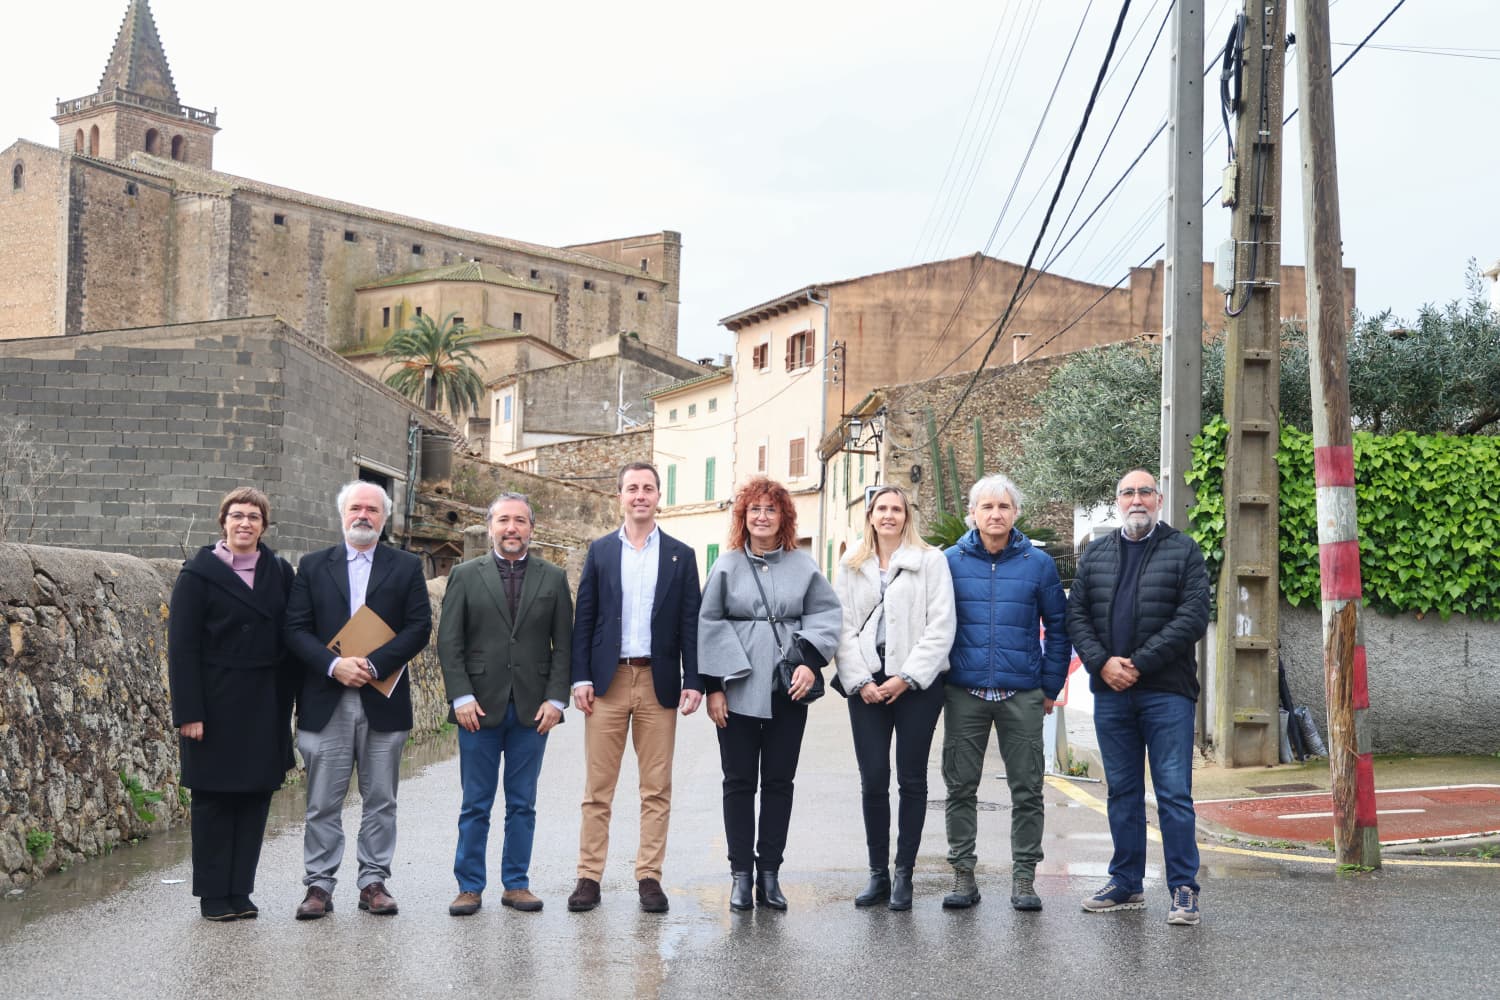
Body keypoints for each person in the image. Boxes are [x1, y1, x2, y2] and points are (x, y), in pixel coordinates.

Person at [1067, 469, 1210, 926]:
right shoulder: (1097, 552)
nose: (1136, 499)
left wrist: (1138, 664)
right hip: (1111, 692)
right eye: (1127, 492)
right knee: (1122, 791)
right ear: (1117, 500)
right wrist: (1103, 664)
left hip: (1166, 694)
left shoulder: (1183, 550)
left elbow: (1192, 617)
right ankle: (1126, 882)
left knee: (1173, 794)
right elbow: (1077, 616)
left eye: (1144, 492)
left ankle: (1183, 888)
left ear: (1159, 499)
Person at [284, 480, 432, 920]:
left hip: (382, 696)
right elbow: (295, 629)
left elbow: (418, 627)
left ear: (384, 517)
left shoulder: (405, 567)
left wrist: (372, 664)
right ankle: (319, 885)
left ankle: (373, 882)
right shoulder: (312, 566)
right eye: (355, 508)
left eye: (372, 508)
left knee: (381, 798)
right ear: (342, 514)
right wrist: (335, 665)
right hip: (327, 697)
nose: (363, 515)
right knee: (322, 801)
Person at [698, 476, 841, 912]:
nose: (762, 517)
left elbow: (826, 615)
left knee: (779, 783)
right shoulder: (726, 565)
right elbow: (708, 623)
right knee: (738, 783)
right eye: (754, 510)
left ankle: (770, 874)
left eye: (771, 509)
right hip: (738, 689)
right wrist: (714, 688)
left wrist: (809, 663)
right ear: (744, 517)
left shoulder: (804, 566)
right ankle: (741, 875)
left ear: (784, 517)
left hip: (786, 691)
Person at [567, 463, 702, 914]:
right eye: (632, 489)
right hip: (608, 682)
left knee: (656, 788)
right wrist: (580, 676)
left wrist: (694, 680)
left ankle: (649, 877)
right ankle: (588, 877)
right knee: (598, 788)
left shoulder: (682, 555)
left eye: (647, 488)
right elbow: (584, 618)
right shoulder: (601, 551)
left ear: (659, 496)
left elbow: (690, 623)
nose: (640, 495)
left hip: (659, 681)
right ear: (620, 496)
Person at [438, 493, 572, 915]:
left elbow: (564, 646)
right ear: (491, 526)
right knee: (475, 802)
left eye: (519, 521)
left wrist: (555, 699)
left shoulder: (553, 578)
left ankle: (516, 884)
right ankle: (469, 886)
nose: (511, 528)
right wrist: (461, 696)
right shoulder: (464, 574)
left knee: (522, 802)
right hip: (476, 706)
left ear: (531, 528)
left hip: (533, 709)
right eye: (503, 521)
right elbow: (449, 640)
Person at [941, 473, 1068, 912]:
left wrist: (1050, 685)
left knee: (1028, 789)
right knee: (960, 787)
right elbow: (934, 625)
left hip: (1022, 694)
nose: (995, 514)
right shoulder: (949, 562)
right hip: (963, 692)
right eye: (987, 507)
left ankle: (1024, 879)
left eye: (1004, 507)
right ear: (972, 514)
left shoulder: (1038, 564)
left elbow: (1059, 627)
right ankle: (962, 875)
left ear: (1016, 513)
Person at [168, 487, 296, 921]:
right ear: (222, 522)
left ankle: (240, 891)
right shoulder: (197, 575)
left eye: (254, 517)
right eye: (237, 515)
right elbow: (181, 649)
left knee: (255, 799)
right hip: (214, 703)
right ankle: (213, 896)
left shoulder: (279, 572)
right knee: (213, 801)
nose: (245, 524)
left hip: (265, 701)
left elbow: (293, 635)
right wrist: (189, 712)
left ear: (264, 525)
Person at [833, 485, 955, 911]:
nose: (888, 516)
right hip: (865, 685)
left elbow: (941, 626)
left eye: (896, 509)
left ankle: (905, 873)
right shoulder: (851, 565)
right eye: (881, 509)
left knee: (912, 779)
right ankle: (877, 874)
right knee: (873, 780)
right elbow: (841, 628)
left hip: (916, 686)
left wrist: (906, 677)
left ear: (907, 516)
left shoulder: (931, 561)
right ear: (870, 515)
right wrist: (860, 679)